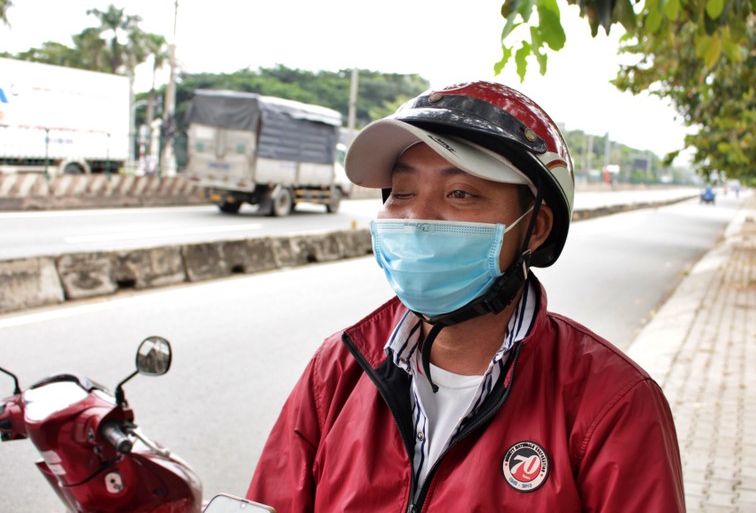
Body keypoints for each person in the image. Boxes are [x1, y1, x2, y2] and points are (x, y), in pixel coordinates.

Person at [247, 81, 685, 511]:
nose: (417, 216)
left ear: (535, 227)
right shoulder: (337, 372)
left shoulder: (614, 404)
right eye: (402, 192)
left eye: (460, 194)